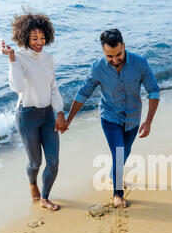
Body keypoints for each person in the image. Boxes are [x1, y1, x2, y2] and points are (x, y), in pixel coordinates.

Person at [64, 28, 160, 208]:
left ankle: (113, 175)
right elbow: (83, 93)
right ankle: (118, 193)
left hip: (133, 117)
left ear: (124, 46)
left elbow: (153, 91)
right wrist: (69, 119)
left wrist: (148, 122)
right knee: (119, 153)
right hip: (110, 117)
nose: (115, 60)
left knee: (125, 153)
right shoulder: (97, 68)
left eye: (119, 54)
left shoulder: (140, 63)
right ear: (103, 52)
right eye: (109, 56)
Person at [1, 13, 68, 211]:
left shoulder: (48, 58)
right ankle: (32, 184)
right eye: (34, 38)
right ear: (25, 38)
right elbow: (18, 87)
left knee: (54, 161)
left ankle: (45, 197)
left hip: (47, 115)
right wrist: (12, 59)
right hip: (27, 117)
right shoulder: (18, 56)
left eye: (42, 38)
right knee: (35, 163)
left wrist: (60, 113)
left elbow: (53, 88)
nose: (40, 42)